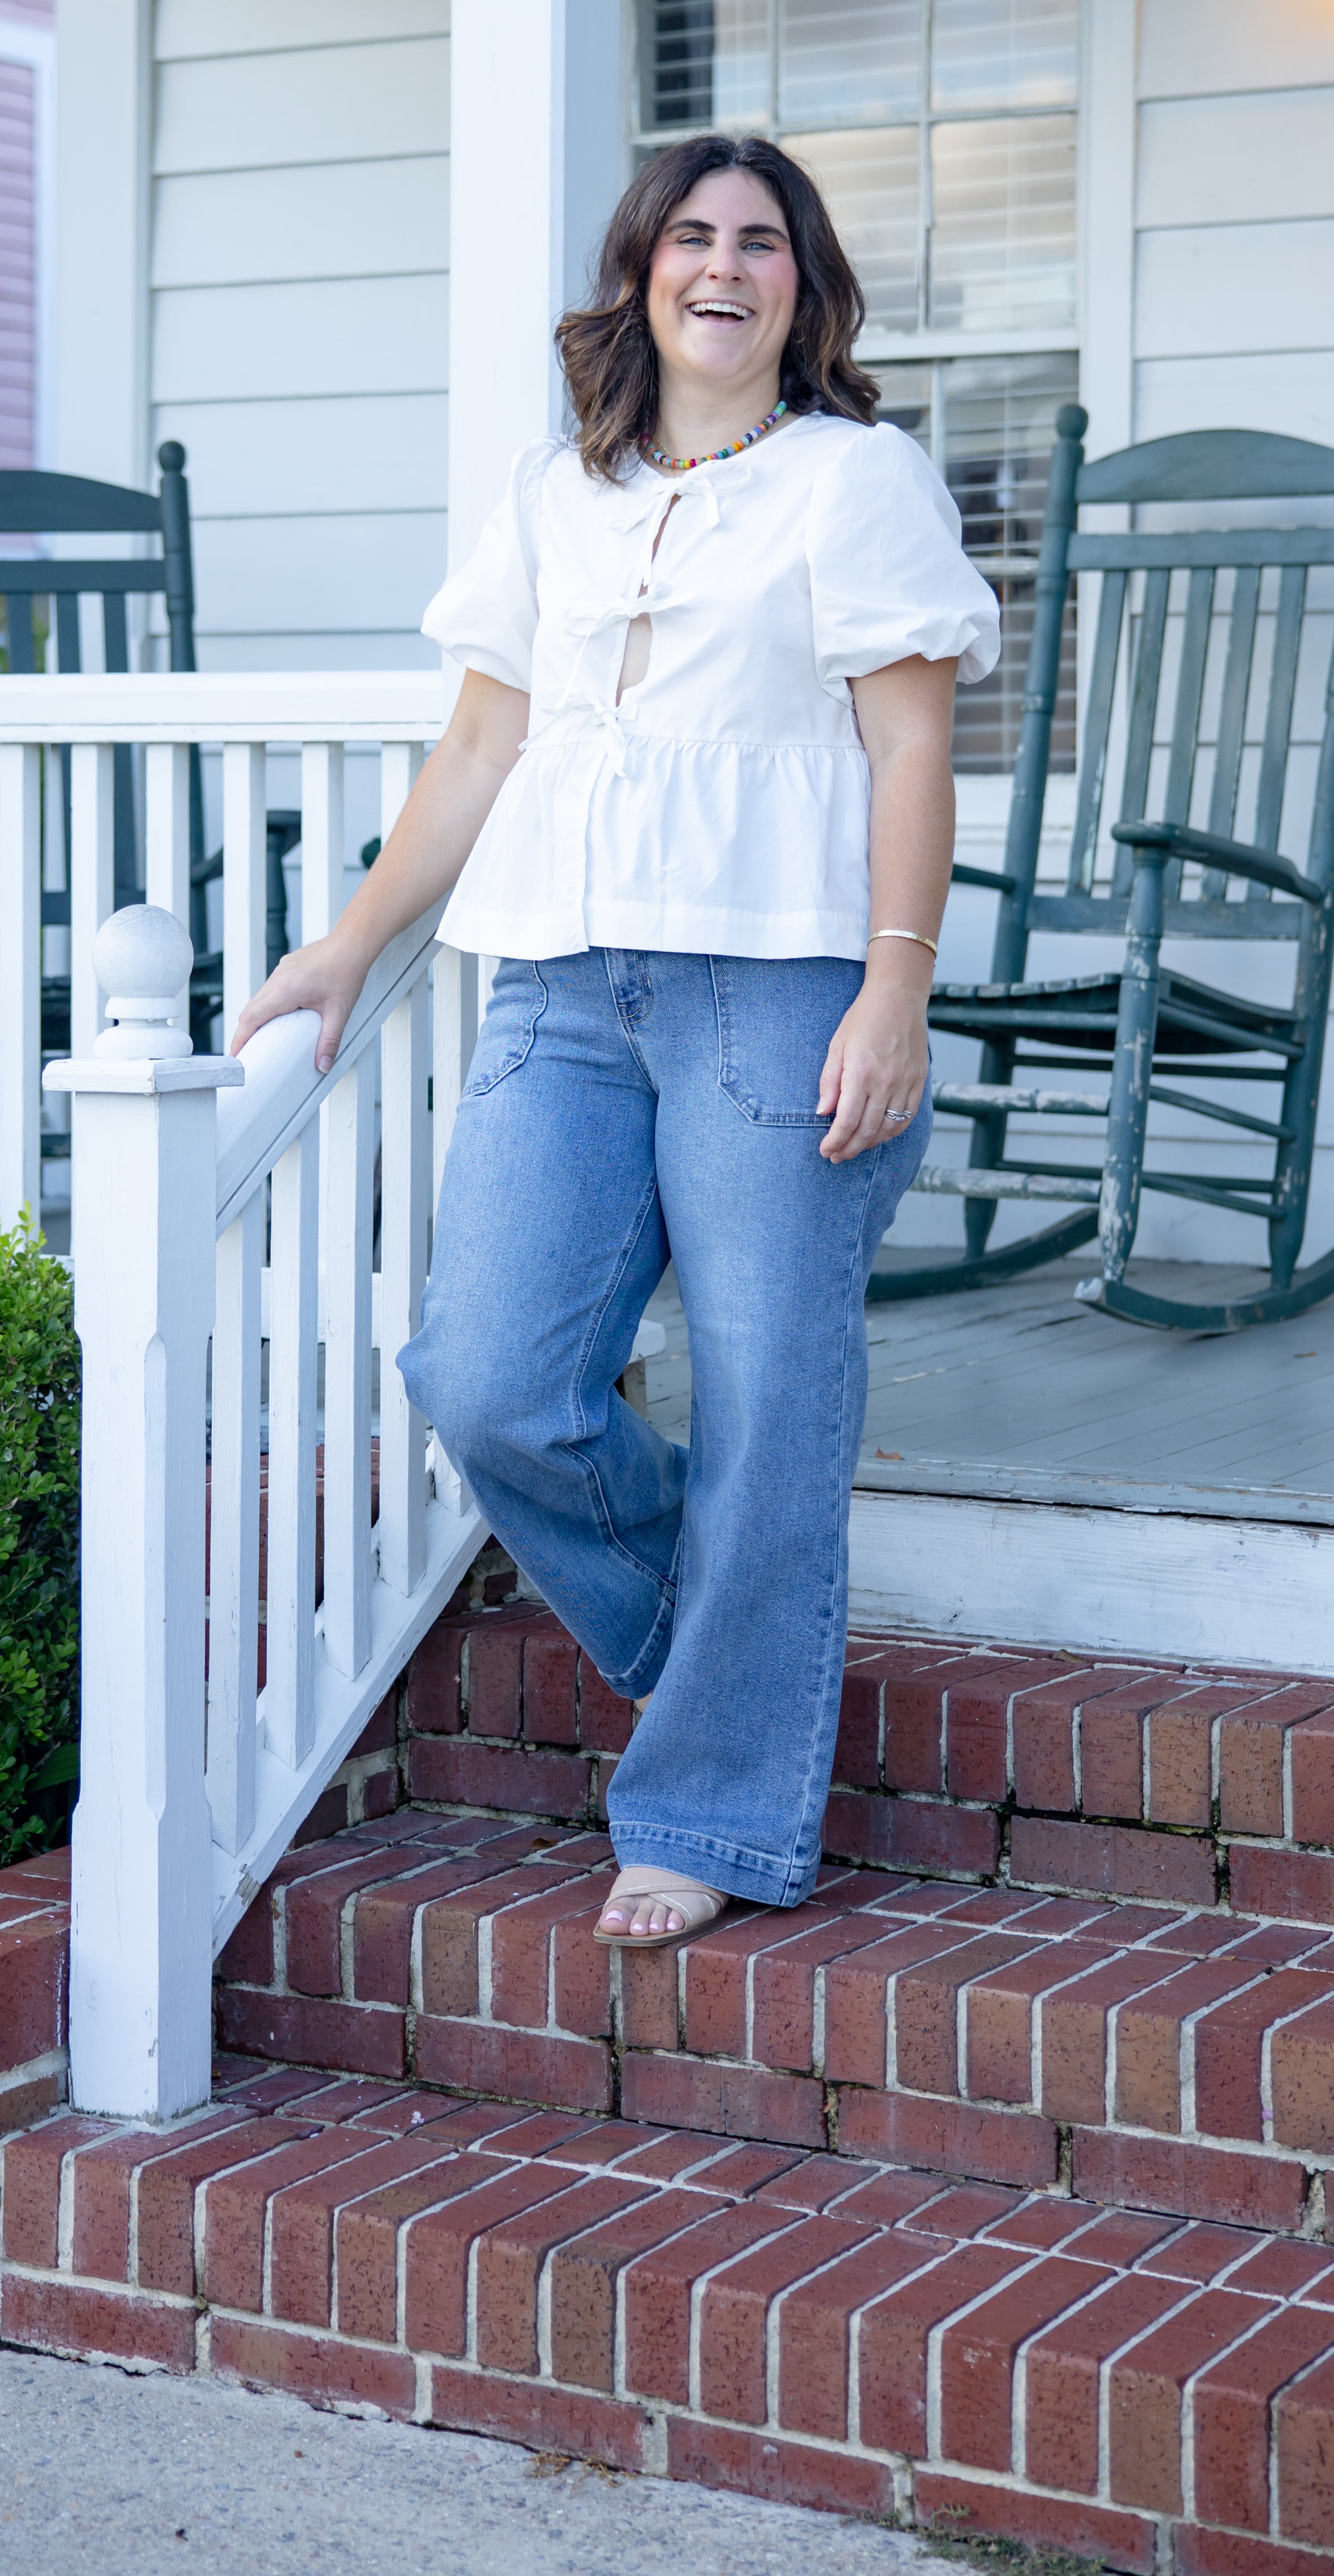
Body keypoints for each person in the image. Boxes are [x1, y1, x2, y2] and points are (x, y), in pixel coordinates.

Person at [232, 133, 999, 1947]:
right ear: (640, 271)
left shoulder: (857, 480)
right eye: (692, 236)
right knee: (486, 1373)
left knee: (769, 1404)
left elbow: (908, 747)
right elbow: (482, 747)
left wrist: (897, 981)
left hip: (781, 986)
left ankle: (716, 1805)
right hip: (559, 985)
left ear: (801, 289)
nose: (724, 266)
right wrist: (350, 945)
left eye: (762, 243)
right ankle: (743, 1652)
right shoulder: (555, 492)